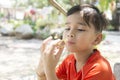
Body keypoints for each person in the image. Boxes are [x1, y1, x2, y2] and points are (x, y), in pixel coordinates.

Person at [36, 4, 116, 80]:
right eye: (67, 28)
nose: (70, 34)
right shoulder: (69, 61)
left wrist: (49, 69)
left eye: (80, 29)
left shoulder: (99, 68)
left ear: (97, 39)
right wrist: (41, 73)